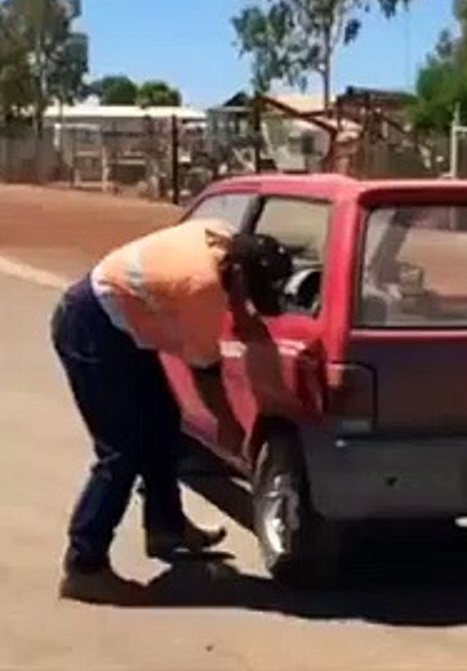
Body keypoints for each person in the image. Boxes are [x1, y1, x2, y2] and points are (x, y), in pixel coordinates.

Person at [50, 217, 293, 602]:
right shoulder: (202, 290)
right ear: (238, 274)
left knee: (163, 423)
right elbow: (206, 373)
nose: (246, 305)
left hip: (125, 322)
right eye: (250, 293)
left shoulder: (221, 235)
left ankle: (166, 527)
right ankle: (84, 565)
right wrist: (230, 429)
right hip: (91, 325)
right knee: (121, 450)